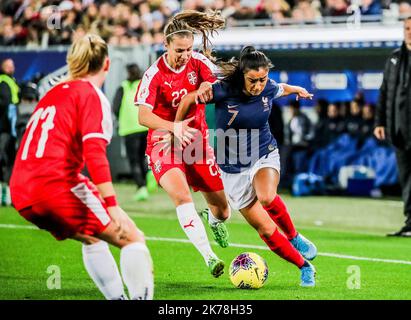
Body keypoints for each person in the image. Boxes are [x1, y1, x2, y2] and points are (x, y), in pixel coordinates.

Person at [9, 34, 154, 300]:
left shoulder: (52, 93)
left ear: (72, 62)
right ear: (107, 65)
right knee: (133, 238)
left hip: (21, 191)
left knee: (92, 236)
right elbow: (95, 154)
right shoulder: (91, 95)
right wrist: (112, 206)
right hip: (55, 186)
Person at [176, 46, 318, 287]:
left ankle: (294, 237)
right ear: (243, 75)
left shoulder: (268, 87)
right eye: (253, 80)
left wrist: (297, 89)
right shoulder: (223, 90)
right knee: (264, 228)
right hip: (232, 167)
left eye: (263, 79)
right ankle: (304, 266)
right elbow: (189, 98)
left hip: (263, 153)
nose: (258, 85)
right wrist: (177, 126)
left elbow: (279, 89)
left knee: (267, 197)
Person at [135, 9, 230, 278]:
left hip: (196, 142)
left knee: (223, 210)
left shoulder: (199, 63)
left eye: (188, 49)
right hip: (163, 142)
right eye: (179, 50)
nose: (184, 55)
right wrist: (172, 126)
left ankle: (213, 220)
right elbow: (143, 116)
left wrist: (207, 89)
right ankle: (209, 257)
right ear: (165, 45)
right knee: (182, 196)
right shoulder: (153, 74)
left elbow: (218, 88)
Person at [374, 16, 411, 237]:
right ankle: (410, 222)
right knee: (406, 177)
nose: (409, 31)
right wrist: (380, 121)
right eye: (406, 28)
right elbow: (385, 92)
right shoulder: (395, 58)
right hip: (400, 129)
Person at [112, 63, 157, 201]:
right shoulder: (144, 85)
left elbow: (115, 107)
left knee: (134, 160)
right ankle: (150, 173)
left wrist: (121, 118)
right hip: (145, 126)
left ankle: (141, 187)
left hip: (129, 128)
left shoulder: (123, 86)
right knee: (143, 156)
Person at [0, 58, 19, 206]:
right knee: (3, 158)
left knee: (10, 159)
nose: (10, 67)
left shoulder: (13, 81)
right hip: (4, 127)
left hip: (11, 128)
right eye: (8, 65)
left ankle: (8, 194)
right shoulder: (2, 80)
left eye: (12, 65)